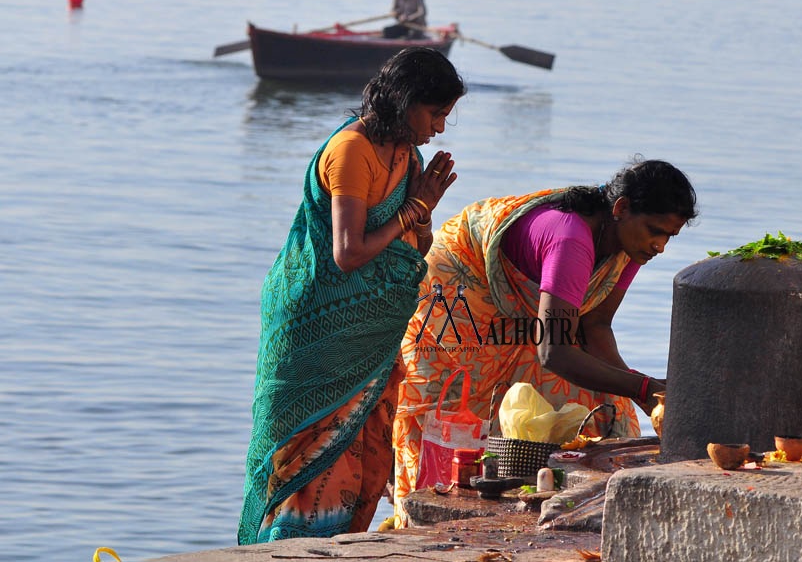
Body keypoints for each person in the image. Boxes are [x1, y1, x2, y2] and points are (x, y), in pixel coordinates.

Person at [238, 47, 465, 544]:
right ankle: (286, 552)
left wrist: (421, 213)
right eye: (435, 113)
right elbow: (348, 252)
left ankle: (338, 550)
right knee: (310, 457)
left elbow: (414, 245)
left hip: (373, 331)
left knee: (367, 455)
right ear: (405, 102)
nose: (440, 127)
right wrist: (416, 207)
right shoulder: (352, 150)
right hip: (315, 321)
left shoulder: (408, 156)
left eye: (446, 116)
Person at [391, 158, 698, 524]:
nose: (660, 246)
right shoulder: (571, 239)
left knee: (597, 405)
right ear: (621, 208)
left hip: (525, 307)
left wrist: (642, 393)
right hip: (462, 289)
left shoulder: (629, 246)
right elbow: (554, 351)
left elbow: (595, 326)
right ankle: (421, 521)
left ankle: (518, 509)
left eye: (669, 236)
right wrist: (645, 386)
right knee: (451, 413)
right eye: (655, 230)